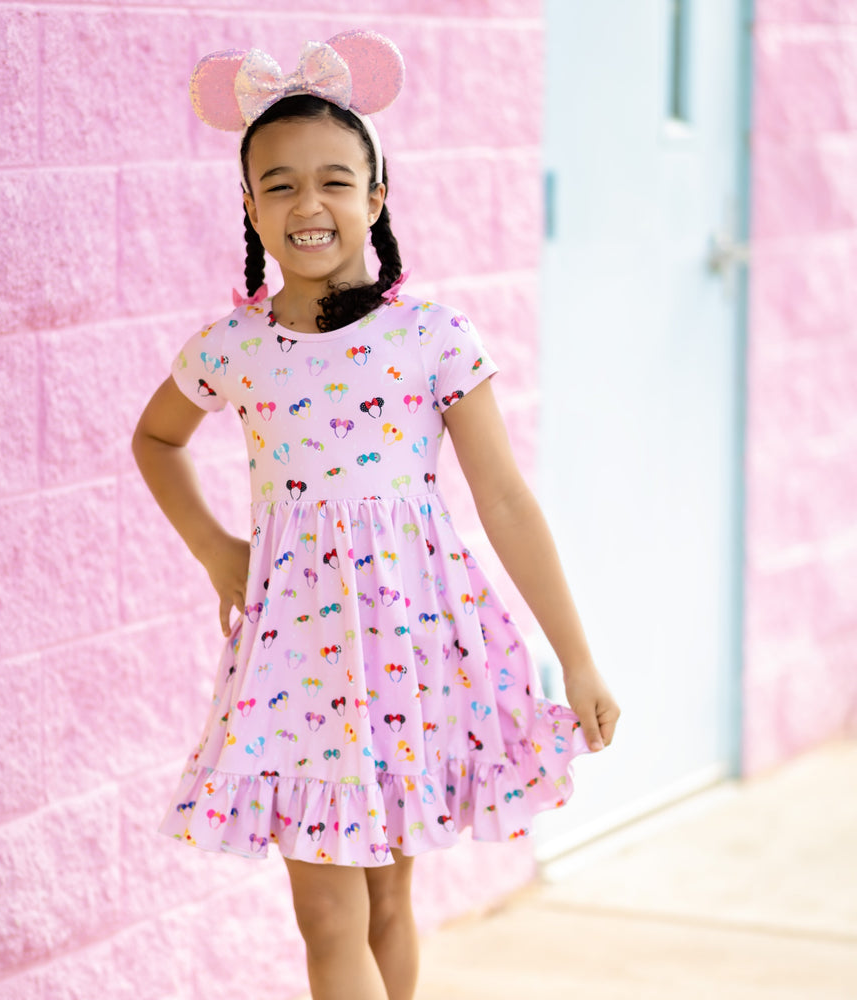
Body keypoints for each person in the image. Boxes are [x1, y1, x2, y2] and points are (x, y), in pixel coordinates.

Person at [132, 28, 620, 1000]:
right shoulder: (233, 348)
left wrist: (577, 653)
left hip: (409, 647)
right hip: (296, 661)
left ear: (375, 196)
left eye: (332, 181)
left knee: (391, 906)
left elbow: (507, 501)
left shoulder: (434, 338)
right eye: (278, 184)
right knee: (327, 917)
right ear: (249, 207)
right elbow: (156, 439)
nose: (307, 204)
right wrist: (218, 551)